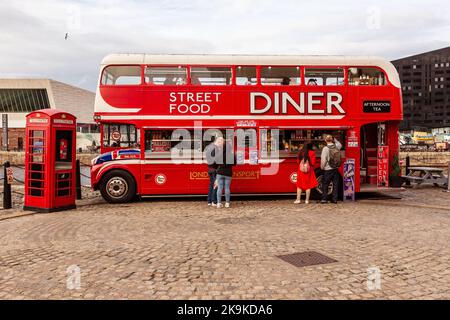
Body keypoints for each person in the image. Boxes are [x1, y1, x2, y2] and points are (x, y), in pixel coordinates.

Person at [320, 135, 342, 204]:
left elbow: (323, 160)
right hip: (335, 168)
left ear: (325, 140)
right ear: (332, 140)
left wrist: (322, 167)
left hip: (328, 169)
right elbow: (339, 144)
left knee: (325, 184)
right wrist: (334, 139)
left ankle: (324, 199)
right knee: (335, 184)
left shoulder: (325, 148)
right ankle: (334, 199)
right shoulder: (337, 146)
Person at [215, 141, 235, 208]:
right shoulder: (231, 154)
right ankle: (227, 203)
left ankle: (218, 203)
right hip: (228, 172)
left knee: (219, 188)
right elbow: (234, 163)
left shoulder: (219, 153)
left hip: (220, 172)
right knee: (227, 188)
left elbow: (216, 162)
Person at [205, 136, 222, 206]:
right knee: (215, 185)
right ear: (218, 141)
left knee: (211, 185)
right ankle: (214, 201)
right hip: (214, 169)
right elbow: (216, 160)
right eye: (221, 142)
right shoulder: (216, 148)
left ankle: (209, 201)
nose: (222, 143)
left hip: (210, 168)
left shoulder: (209, 147)